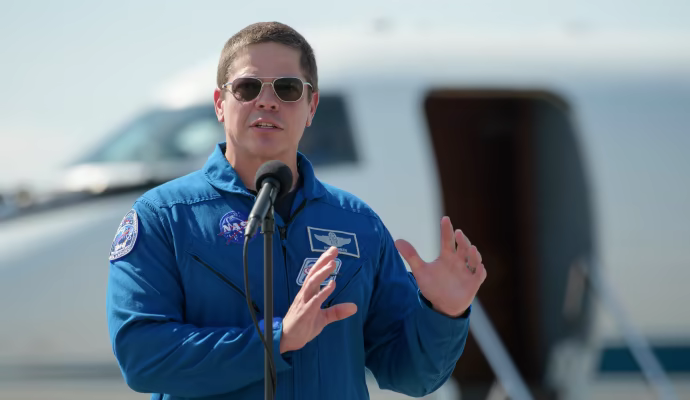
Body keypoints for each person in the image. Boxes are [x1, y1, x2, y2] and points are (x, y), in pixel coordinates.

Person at [106, 21, 487, 400]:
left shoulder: (358, 223)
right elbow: (143, 357)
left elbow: (411, 376)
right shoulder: (164, 217)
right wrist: (277, 339)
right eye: (247, 87)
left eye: (287, 88)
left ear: (311, 106)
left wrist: (443, 314)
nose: (267, 101)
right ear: (220, 104)